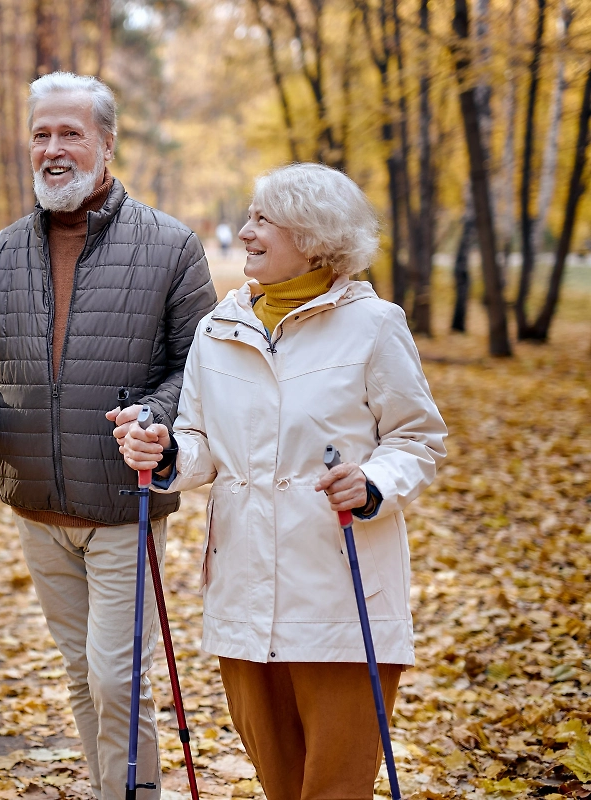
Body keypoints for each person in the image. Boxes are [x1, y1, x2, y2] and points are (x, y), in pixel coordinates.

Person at [0, 72, 216, 798]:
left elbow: (199, 369)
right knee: (81, 676)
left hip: (123, 500)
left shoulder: (171, 246)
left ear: (107, 143)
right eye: (40, 134)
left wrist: (153, 417)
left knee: (116, 679)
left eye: (70, 132)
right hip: (37, 506)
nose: (53, 148)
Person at [116, 163, 447, 800]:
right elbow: (200, 442)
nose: (245, 232)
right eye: (250, 217)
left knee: (335, 788)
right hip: (244, 597)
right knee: (280, 786)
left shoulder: (375, 324)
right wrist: (164, 453)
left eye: (263, 220)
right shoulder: (219, 328)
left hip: (341, 595)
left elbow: (418, 438)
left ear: (314, 236)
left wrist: (373, 482)